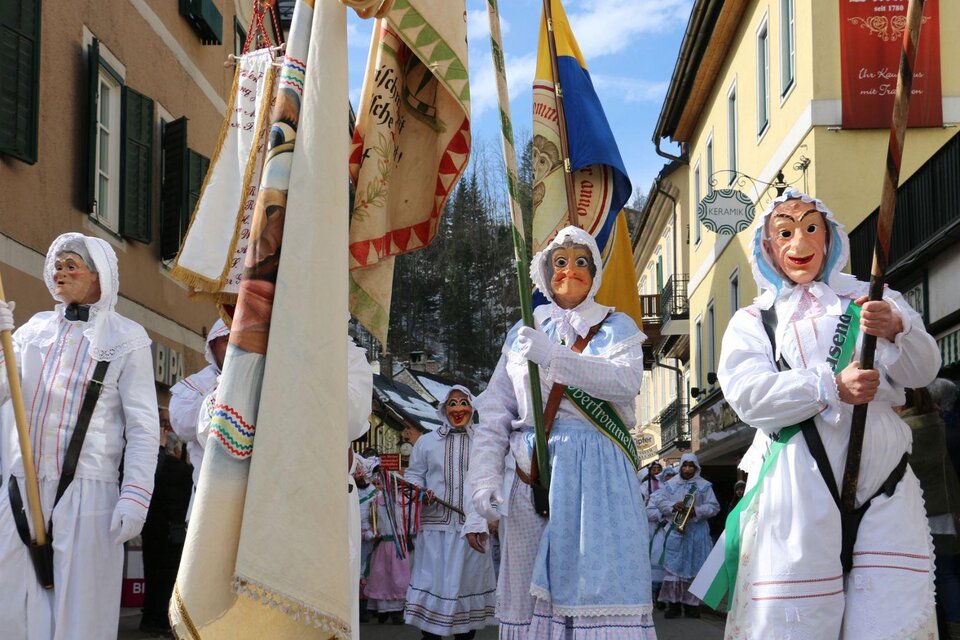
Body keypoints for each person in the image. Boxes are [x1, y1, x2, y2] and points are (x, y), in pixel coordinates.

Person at [711, 189, 941, 638]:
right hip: (796, 493)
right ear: (769, 245)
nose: (799, 243)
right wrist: (831, 385)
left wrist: (897, 328)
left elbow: (923, 370)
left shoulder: (873, 296)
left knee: (890, 624)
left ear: (828, 235)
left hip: (883, 484)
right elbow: (749, 397)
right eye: (785, 232)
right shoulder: (753, 320)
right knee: (796, 626)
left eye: (809, 228)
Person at [468, 226, 657, 639]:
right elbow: (496, 410)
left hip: (599, 478)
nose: (569, 270)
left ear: (595, 271)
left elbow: (624, 382)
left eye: (580, 262)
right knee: (530, 602)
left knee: (597, 585)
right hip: (531, 476)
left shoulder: (616, 326)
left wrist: (553, 356)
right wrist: (482, 479)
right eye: (560, 261)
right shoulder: (522, 331)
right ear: (544, 270)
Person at [0, 232, 159, 640]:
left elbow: (143, 426)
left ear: (99, 276)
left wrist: (135, 495)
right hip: (22, 489)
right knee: (11, 607)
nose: (61, 272)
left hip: (88, 495)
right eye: (57, 265)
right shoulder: (31, 331)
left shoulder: (127, 338)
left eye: (71, 265)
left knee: (80, 612)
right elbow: (3, 391)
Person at [404, 386, 496, 640]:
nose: (458, 409)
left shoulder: (484, 441)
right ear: (444, 409)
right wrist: (421, 492)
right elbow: (413, 477)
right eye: (452, 404)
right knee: (434, 584)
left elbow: (495, 476)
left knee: (468, 584)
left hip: (472, 529)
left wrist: (492, 513)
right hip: (436, 529)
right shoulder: (426, 442)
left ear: (472, 407)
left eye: (463, 403)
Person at [897, 387, 960, 638]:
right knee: (945, 573)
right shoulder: (938, 424)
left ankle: (930, 628)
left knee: (924, 578)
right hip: (943, 511)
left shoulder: (904, 431)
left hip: (916, 513)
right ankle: (955, 627)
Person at [139, 407, 193, 634]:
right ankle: (162, 620)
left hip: (152, 531)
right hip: (174, 533)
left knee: (152, 575)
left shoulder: (155, 468)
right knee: (169, 579)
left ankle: (150, 618)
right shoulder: (183, 471)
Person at [169, 318, 229, 518]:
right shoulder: (195, 385)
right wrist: (220, 392)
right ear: (213, 345)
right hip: (209, 492)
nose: (235, 346)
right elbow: (183, 426)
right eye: (226, 340)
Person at [652, 453, 719, 618]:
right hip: (677, 532)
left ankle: (692, 606)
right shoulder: (669, 485)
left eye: (691, 466)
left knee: (694, 569)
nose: (688, 469)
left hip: (697, 533)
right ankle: (674, 605)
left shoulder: (704, 486)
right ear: (680, 466)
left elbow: (714, 506)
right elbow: (658, 501)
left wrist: (697, 511)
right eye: (685, 465)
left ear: (696, 468)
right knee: (674, 570)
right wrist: (672, 506)